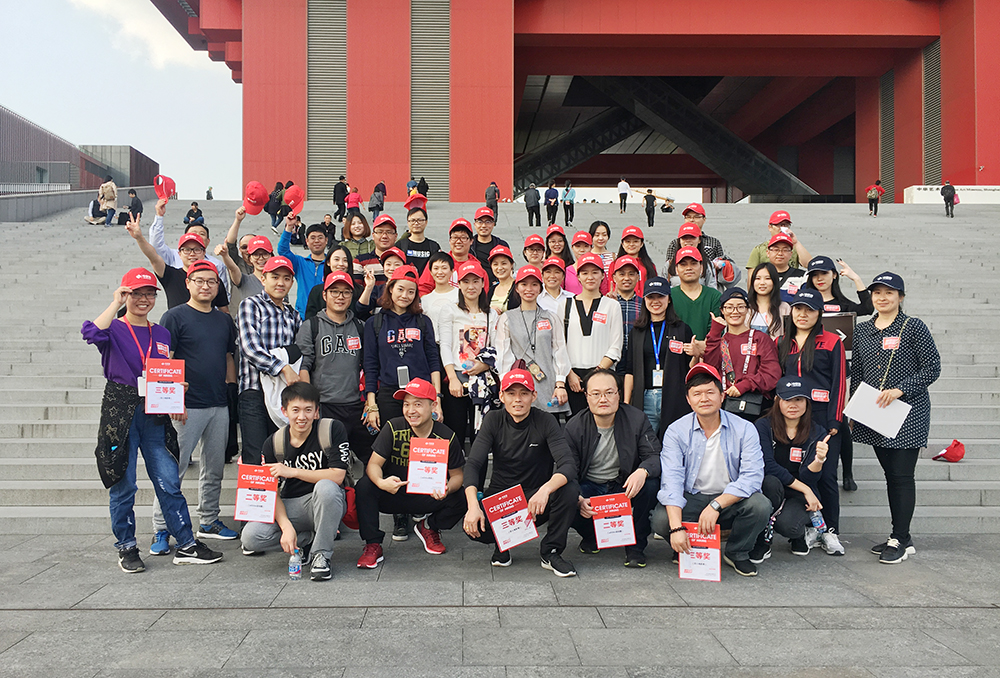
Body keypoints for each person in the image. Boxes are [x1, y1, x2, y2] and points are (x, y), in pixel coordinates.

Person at [82, 267, 223, 572]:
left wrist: (177, 390)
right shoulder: (114, 328)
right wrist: (116, 302)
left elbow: (164, 370)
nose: (144, 299)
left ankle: (186, 543)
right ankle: (126, 546)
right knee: (124, 483)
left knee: (169, 480)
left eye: (149, 294)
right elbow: (90, 333)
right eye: (136, 293)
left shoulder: (160, 333)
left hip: (155, 412)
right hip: (121, 411)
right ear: (126, 294)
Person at [151, 259, 239, 555]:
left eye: (211, 281)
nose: (205, 286)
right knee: (172, 470)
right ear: (187, 284)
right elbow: (164, 361)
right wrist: (173, 399)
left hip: (218, 405)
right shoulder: (174, 317)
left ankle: (209, 520)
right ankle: (162, 528)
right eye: (199, 280)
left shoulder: (223, 320)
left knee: (214, 469)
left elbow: (228, 357)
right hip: (186, 407)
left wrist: (230, 392)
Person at [852, 272, 940, 564]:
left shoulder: (913, 327)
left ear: (901, 297)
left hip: (908, 412)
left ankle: (899, 538)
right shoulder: (863, 330)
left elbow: (932, 367)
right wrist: (854, 410)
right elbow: (859, 373)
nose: (882, 298)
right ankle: (902, 535)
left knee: (902, 476)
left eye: (889, 293)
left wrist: (901, 390)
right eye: (877, 292)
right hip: (876, 411)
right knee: (891, 475)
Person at [651, 364, 771, 577]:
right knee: (661, 520)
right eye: (697, 393)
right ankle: (685, 545)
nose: (704, 398)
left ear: (722, 396)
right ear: (688, 400)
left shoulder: (744, 428)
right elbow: (672, 480)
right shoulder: (676, 431)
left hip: (729, 499)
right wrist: (676, 528)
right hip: (692, 497)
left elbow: (752, 477)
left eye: (710, 392)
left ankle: (737, 553)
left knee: (760, 505)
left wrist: (716, 504)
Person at [462, 369, 580, 577]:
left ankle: (550, 552)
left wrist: (545, 490)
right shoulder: (493, 420)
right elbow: (473, 464)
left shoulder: (546, 421)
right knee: (474, 527)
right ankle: (503, 543)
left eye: (524, 393)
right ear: (501, 396)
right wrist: (473, 506)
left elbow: (568, 464)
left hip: (535, 500)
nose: (517, 399)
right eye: (511, 393)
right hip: (502, 499)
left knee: (569, 489)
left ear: (534, 396)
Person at [240, 382, 348, 581]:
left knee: (326, 487)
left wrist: (293, 472)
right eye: (295, 410)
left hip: (326, 503)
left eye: (308, 410)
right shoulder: (273, 443)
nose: (302, 417)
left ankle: (321, 555)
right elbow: (271, 491)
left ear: (316, 412)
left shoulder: (332, 429)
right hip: (292, 505)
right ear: (284, 411)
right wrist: (286, 527)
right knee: (250, 537)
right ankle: (307, 539)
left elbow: (337, 476)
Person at [355, 378, 467, 568]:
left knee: (462, 496)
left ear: (433, 406)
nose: (410, 410)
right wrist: (382, 482)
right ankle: (372, 544)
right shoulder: (393, 427)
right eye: (406, 404)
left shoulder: (447, 436)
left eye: (418, 404)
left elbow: (457, 476)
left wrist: (447, 488)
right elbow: (373, 464)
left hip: (429, 494)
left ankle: (429, 526)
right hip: (394, 492)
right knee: (364, 486)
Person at [566, 368, 660, 567]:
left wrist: (642, 471)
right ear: (586, 396)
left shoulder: (636, 419)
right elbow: (567, 469)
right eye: (596, 393)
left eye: (609, 392)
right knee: (565, 494)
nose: (603, 399)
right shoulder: (574, 426)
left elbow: (654, 455)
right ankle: (591, 535)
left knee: (650, 484)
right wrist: (578, 497)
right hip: (590, 486)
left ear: (619, 394)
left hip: (623, 484)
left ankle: (636, 547)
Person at [777, 289, 847, 554]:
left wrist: (835, 420)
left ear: (819, 313)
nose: (802, 314)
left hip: (822, 419)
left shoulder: (831, 341)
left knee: (826, 475)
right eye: (798, 309)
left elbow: (839, 383)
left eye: (809, 310)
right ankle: (807, 528)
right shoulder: (782, 341)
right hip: (791, 418)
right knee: (799, 473)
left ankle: (830, 530)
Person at [296, 270, 372, 467]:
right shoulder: (311, 326)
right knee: (328, 464)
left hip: (356, 406)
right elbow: (304, 365)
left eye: (346, 292)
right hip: (325, 405)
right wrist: (310, 405)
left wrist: (369, 401)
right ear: (325, 295)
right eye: (335, 291)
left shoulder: (361, 327)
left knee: (373, 460)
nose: (340, 296)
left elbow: (369, 366)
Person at [755, 377, 831, 560]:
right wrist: (806, 489)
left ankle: (798, 535)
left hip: (799, 493)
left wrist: (819, 460)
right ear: (777, 400)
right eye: (787, 399)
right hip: (773, 488)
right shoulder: (763, 426)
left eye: (799, 399)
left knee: (790, 526)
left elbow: (809, 477)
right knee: (770, 482)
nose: (793, 405)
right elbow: (767, 466)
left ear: (807, 402)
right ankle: (762, 540)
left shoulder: (817, 431)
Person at [237, 255, 302, 465]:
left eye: (286, 278)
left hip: (283, 395)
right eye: (275, 277)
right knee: (256, 457)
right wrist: (283, 368)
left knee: (281, 455)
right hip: (254, 392)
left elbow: (300, 351)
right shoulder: (251, 305)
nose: (280, 283)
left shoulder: (293, 315)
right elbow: (250, 348)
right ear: (263, 279)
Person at [363, 265, 443, 433]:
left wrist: (437, 399)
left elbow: (433, 361)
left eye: (411, 291)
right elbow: (370, 365)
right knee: (392, 441)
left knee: (421, 442)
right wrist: (372, 404)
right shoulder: (375, 323)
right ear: (390, 288)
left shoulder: (423, 321)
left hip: (421, 393)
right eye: (400, 289)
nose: (405, 295)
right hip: (389, 394)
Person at [494, 265, 570, 417]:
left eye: (534, 284)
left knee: (549, 426)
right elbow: (503, 354)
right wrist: (505, 384)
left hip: (548, 385)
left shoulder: (551, 317)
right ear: (517, 288)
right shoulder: (507, 318)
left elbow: (559, 351)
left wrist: (560, 384)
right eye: (524, 284)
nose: (529, 289)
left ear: (540, 288)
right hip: (518, 386)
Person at [623, 277, 695, 436]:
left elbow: (690, 368)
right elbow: (630, 370)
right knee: (645, 442)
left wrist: (695, 354)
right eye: (651, 297)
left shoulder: (681, 329)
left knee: (673, 442)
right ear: (644, 300)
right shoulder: (637, 331)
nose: (655, 301)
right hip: (645, 397)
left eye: (660, 296)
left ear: (669, 299)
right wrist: (627, 402)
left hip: (674, 396)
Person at [126, 203, 229, 312]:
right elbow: (153, 257)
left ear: (204, 253)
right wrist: (139, 238)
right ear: (179, 253)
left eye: (197, 249)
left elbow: (224, 311)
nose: (192, 254)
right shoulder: (171, 275)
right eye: (187, 250)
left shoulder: (213, 280)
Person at [440, 262, 499, 440]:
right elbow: (445, 345)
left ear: (483, 283)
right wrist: (452, 378)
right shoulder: (449, 310)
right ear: (459, 284)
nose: (471, 286)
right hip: (457, 377)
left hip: (483, 379)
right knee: (455, 432)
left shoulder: (491, 314)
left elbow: (497, 346)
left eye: (475, 281)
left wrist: (485, 366)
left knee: (481, 434)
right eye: (466, 282)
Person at [704, 287, 782, 422]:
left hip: (756, 407)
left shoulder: (760, 338)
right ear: (722, 310)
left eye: (740, 307)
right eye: (729, 307)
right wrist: (715, 332)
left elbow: (771, 374)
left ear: (747, 310)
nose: (735, 311)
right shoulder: (718, 341)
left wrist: (744, 385)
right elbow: (710, 369)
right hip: (724, 406)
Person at [561, 254, 623, 415]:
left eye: (595, 272)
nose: (590, 277)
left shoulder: (612, 305)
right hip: (574, 379)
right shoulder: (565, 305)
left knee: (604, 421)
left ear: (603, 275)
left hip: (603, 375)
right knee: (576, 424)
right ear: (578, 277)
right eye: (585, 273)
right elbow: (559, 345)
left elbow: (616, 346)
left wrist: (597, 374)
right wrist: (569, 374)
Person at [148, 203, 230, 296]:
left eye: (202, 234)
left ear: (208, 241)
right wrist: (159, 216)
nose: (197, 236)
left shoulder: (217, 265)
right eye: (193, 233)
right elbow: (156, 246)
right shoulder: (173, 256)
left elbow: (224, 296)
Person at [279, 215, 328, 317]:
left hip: (327, 316)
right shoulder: (300, 263)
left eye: (320, 238)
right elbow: (283, 251)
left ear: (326, 240)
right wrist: (289, 227)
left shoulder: (332, 264)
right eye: (312, 238)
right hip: (303, 315)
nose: (316, 241)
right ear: (307, 241)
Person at [669, 246, 721, 343]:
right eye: (683, 264)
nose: (689, 268)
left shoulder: (714, 296)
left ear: (701, 268)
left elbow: (716, 331)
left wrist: (701, 347)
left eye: (693, 263)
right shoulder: (669, 296)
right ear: (676, 269)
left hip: (707, 350)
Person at [746, 211, 812, 278]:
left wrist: (796, 243)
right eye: (779, 225)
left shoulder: (793, 247)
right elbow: (751, 276)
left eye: (786, 225)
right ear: (770, 227)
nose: (783, 228)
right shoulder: (759, 249)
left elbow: (808, 264)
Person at [417, 218, 475, 295]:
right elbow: (423, 288)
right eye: (454, 237)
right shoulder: (438, 262)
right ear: (449, 240)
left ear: (471, 241)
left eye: (463, 237)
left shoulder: (476, 265)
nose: (458, 241)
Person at [802, 256, 874, 316]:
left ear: (834, 275)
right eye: (814, 275)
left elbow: (868, 309)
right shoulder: (803, 303)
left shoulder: (844, 305)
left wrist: (856, 279)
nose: (819, 278)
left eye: (824, 273)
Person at [304, 245, 358, 321]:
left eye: (345, 260)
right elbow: (310, 319)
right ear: (328, 262)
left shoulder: (358, 290)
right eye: (336, 259)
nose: (341, 264)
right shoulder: (317, 290)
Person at [611, 256, 643, 379]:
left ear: (638, 277)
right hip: (612, 359)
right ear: (614, 277)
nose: (626, 278)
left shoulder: (644, 304)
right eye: (622, 274)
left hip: (636, 359)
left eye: (631, 274)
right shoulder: (606, 302)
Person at [421, 251, 459, 340]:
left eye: (444, 268)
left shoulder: (460, 295)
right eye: (436, 268)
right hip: (433, 343)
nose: (440, 272)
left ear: (452, 271)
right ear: (430, 272)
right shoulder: (425, 299)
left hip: (455, 343)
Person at [747, 262, 791, 340]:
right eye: (758, 278)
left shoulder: (784, 308)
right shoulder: (745, 308)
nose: (762, 283)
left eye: (767, 278)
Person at [355, 214, 400, 287]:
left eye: (389, 232)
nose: (384, 236)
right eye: (380, 232)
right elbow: (355, 290)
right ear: (373, 236)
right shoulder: (360, 261)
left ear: (395, 236)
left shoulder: (403, 261)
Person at [764, 232, 808, 304]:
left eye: (785, 250)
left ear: (791, 254)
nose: (780, 253)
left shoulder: (803, 276)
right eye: (776, 250)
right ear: (768, 253)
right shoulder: (760, 276)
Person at [470, 207, 510, 283]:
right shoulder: (469, 245)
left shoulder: (502, 245)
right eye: (480, 222)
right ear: (475, 224)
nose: (484, 225)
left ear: (493, 224)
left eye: (488, 222)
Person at [396, 207, 440, 274]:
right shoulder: (400, 245)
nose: (416, 223)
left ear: (426, 222)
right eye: (413, 220)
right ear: (408, 222)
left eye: (420, 220)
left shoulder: (434, 246)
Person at [617, 226, 657, 295]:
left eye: (635, 241)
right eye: (628, 241)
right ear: (622, 244)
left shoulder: (649, 265)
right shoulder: (615, 265)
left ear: (641, 244)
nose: (631, 244)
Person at [488, 245, 517, 314]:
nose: (500, 268)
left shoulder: (519, 287)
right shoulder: (491, 290)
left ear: (511, 264)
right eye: (495, 264)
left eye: (504, 263)